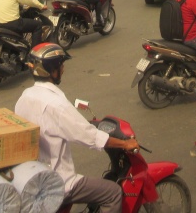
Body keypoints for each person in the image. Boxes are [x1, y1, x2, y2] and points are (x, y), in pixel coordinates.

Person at [15, 43, 138, 213]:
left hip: (34, 176)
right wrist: (125, 144)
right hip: (59, 182)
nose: (63, 70)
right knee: (113, 192)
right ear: (51, 70)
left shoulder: (25, 96)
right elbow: (89, 137)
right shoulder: (56, 104)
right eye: (61, 66)